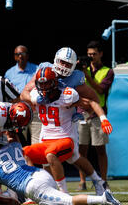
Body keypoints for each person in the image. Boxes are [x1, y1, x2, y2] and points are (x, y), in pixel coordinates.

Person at [20, 47, 112, 193]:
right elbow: (24, 93)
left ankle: (72, 189)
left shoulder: (69, 93)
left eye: (68, 64)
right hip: (46, 127)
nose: (43, 86)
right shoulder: (42, 78)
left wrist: (89, 114)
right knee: (38, 156)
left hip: (65, 126)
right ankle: (39, 189)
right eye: (41, 83)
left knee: (72, 156)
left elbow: (92, 100)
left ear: (55, 83)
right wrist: (32, 97)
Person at [0, 141, 123, 205]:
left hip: (32, 186)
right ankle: (91, 201)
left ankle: (102, 198)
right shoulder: (15, 146)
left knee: (66, 203)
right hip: (40, 173)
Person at [77, 41, 114, 190]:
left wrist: (87, 76)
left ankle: (103, 181)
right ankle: (82, 181)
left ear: (101, 54)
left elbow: (100, 90)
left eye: (94, 54)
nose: (91, 57)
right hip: (81, 114)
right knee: (81, 150)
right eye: (89, 54)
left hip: (98, 115)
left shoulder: (108, 71)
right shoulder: (80, 71)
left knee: (100, 149)